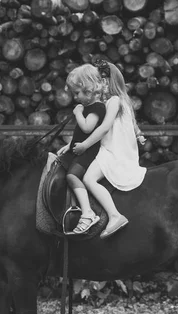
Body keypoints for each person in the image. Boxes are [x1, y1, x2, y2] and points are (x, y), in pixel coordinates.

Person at [72, 60, 147, 239]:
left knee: (89, 179)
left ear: (106, 82)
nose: (95, 87)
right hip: (123, 148)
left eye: (97, 81)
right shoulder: (123, 100)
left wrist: (85, 145)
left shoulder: (113, 101)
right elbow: (133, 125)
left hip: (113, 150)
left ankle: (113, 215)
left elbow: (104, 128)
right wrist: (138, 135)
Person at [57, 64, 107, 235]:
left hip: (89, 153)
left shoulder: (97, 108)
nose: (75, 97)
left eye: (77, 93)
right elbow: (80, 135)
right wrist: (68, 146)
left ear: (88, 89)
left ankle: (87, 213)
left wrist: (78, 113)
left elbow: (87, 128)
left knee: (72, 176)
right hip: (79, 149)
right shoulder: (87, 107)